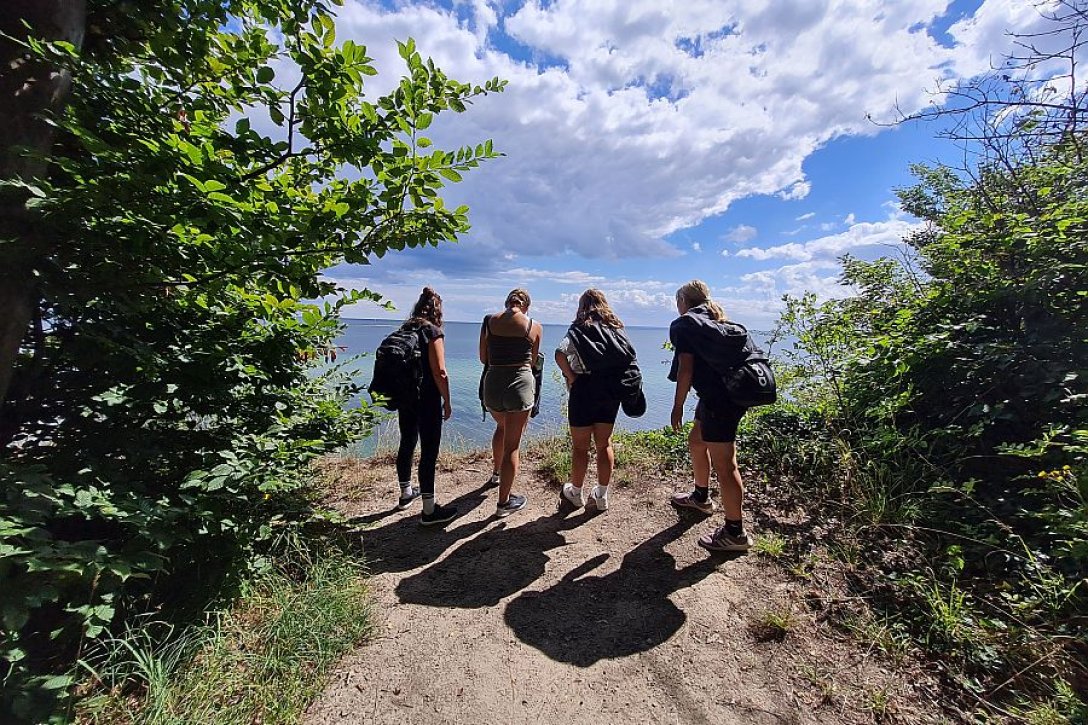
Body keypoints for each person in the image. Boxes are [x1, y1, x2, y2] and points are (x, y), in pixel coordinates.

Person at [667, 280, 753, 552]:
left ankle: (735, 533)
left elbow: (685, 371)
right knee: (696, 441)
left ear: (684, 301)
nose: (677, 306)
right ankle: (701, 497)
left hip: (720, 401)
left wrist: (677, 406)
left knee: (726, 466)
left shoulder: (685, 324)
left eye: (677, 301)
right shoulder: (721, 322)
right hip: (724, 396)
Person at [554, 289, 636, 512]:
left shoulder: (578, 328)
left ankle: (576, 493)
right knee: (604, 444)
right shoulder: (616, 329)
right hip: (609, 391)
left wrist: (571, 377)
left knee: (580, 448)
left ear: (582, 306)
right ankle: (601, 495)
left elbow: (559, 354)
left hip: (584, 390)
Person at [395, 287, 459, 526]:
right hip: (427, 399)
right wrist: (448, 401)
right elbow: (440, 371)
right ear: (437, 310)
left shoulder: (406, 329)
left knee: (407, 442)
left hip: (405, 397)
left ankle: (405, 494)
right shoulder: (432, 332)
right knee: (429, 453)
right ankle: (429, 511)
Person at [479, 288, 542, 517]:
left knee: (501, 426)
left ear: (506, 303)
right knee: (512, 445)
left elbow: (483, 357)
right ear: (526, 306)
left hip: (493, 383)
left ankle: (496, 474)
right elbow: (534, 361)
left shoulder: (488, 322)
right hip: (520, 385)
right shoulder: (534, 326)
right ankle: (503, 503)